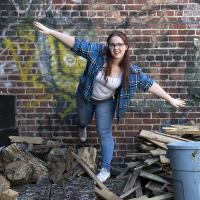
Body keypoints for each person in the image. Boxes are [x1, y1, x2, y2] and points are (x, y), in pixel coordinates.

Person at [34, 21, 186, 182]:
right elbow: (76, 44)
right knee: (83, 119)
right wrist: (51, 32)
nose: (116, 48)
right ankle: (82, 126)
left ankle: (105, 168)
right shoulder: (97, 53)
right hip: (85, 96)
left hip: (105, 101)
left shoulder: (131, 71)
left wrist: (170, 99)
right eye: (112, 45)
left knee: (105, 132)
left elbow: (150, 84)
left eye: (120, 44)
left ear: (126, 47)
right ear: (108, 46)